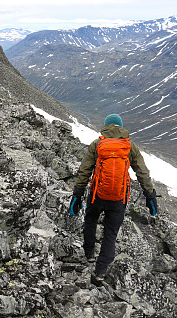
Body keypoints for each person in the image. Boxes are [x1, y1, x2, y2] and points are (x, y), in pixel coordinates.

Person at [68, 114, 158, 285]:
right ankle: (100, 272)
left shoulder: (97, 144)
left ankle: (89, 254)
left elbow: (85, 170)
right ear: (121, 127)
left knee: (91, 219)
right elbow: (143, 173)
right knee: (110, 233)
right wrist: (150, 195)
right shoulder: (130, 147)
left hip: (97, 195)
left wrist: (77, 193)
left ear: (106, 126)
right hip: (118, 199)